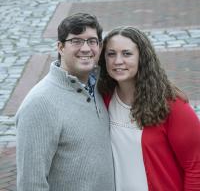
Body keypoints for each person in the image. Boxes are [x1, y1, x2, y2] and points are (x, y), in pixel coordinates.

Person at [16, 13, 115, 191]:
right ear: (60, 47)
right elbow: (31, 183)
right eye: (76, 41)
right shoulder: (39, 104)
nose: (86, 48)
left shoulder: (99, 87)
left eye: (92, 41)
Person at [98, 26, 200, 190]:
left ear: (142, 58)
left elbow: (196, 167)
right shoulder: (103, 99)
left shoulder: (172, 106)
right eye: (111, 54)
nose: (117, 61)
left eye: (127, 53)